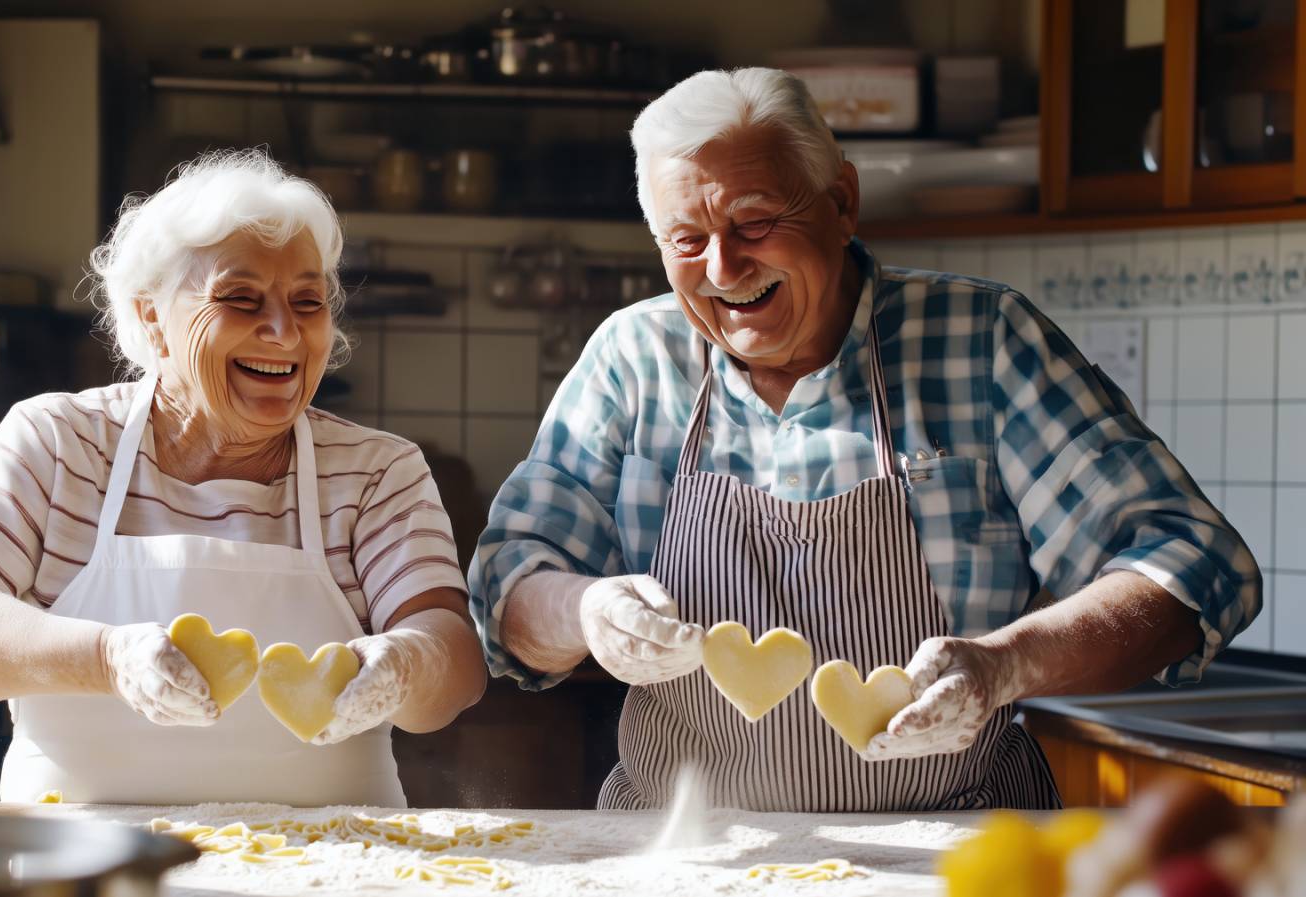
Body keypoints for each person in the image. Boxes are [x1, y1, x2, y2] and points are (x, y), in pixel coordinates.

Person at [468, 69, 1260, 812]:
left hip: (954, 854)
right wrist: (586, 609)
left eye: (754, 221)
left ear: (841, 200)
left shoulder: (981, 341)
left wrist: (1004, 664)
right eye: (686, 240)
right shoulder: (633, 358)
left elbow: (1190, 561)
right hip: (685, 854)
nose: (723, 267)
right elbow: (508, 586)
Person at [0, 150, 485, 806]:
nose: (282, 332)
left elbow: (456, 670)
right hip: (81, 867)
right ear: (151, 316)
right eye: (240, 298)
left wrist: (406, 664)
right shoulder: (59, 444)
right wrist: (108, 659)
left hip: (333, 866)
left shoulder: (375, 471)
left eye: (308, 301)